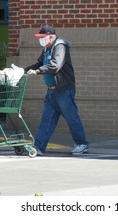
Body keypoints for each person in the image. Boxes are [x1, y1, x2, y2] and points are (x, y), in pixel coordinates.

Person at [25, 24, 89, 156]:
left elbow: (55, 65)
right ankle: (39, 147)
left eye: (43, 37)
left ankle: (82, 144)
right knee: (47, 119)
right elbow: (39, 64)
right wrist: (24, 70)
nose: (41, 40)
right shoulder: (46, 49)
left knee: (72, 117)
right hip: (52, 91)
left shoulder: (60, 46)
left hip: (63, 90)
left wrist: (37, 72)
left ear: (51, 37)